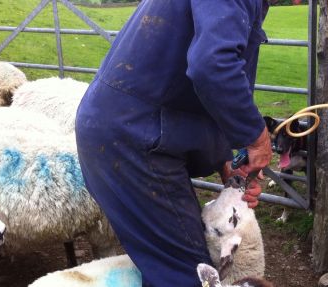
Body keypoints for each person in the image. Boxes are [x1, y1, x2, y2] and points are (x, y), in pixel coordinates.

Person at [74, 0, 273, 286]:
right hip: (133, 139)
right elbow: (213, 65)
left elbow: (184, 82)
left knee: (172, 265)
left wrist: (225, 157)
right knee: (187, 274)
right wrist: (256, 137)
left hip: (133, 132)